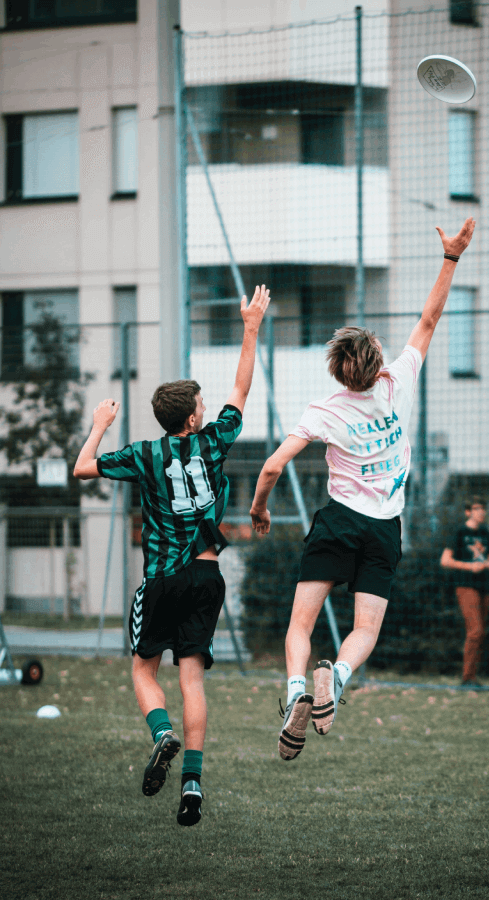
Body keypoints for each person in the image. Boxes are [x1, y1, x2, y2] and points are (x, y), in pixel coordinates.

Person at [249, 217, 476, 760]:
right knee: (366, 627)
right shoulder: (400, 382)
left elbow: (273, 468)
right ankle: (338, 677)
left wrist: (260, 508)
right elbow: (429, 317)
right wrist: (450, 258)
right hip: (383, 526)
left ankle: (297, 692)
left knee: (300, 623)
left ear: (338, 371)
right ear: (377, 362)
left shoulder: (324, 410)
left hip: (337, 520)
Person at [74, 285, 270, 825]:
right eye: (201, 405)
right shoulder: (214, 441)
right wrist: (250, 326)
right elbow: (242, 386)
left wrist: (98, 427)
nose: (208, 408)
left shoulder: (144, 453)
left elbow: (83, 469)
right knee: (192, 680)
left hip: (161, 579)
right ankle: (193, 788)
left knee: (142, 670)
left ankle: (162, 735)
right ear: (191, 418)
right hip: (207, 579)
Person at [440, 497, 489, 689]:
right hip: (466, 585)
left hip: (484, 586)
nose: (481, 512)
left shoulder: (487, 534)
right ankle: (467, 678)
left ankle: (473, 677)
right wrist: (470, 567)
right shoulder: (459, 532)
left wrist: (486, 564)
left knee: (480, 633)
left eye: (483, 508)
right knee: (475, 631)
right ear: (468, 511)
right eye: (477, 508)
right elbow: (445, 560)